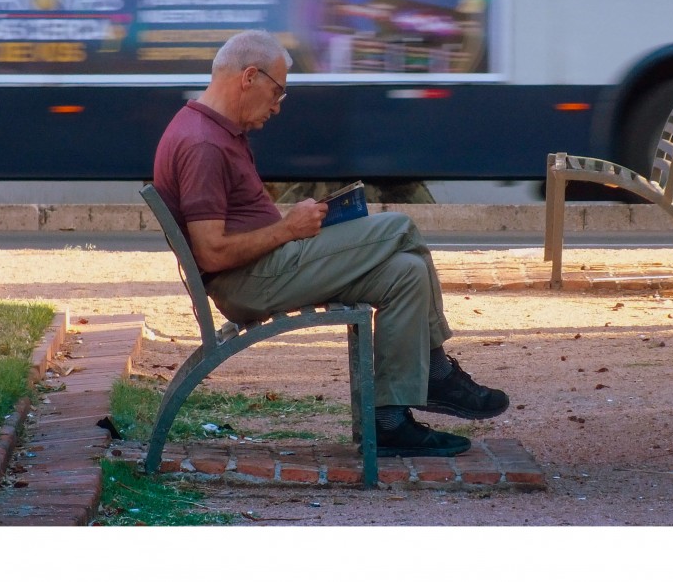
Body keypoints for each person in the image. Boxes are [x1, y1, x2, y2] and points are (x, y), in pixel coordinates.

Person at [152, 29, 508, 458]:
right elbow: (211, 252)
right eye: (277, 91)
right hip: (251, 282)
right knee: (399, 228)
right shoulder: (203, 144)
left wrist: (293, 225)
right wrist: (288, 229)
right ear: (249, 76)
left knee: (405, 274)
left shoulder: (212, 129)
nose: (278, 106)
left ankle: (390, 421)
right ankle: (437, 373)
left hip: (267, 268)